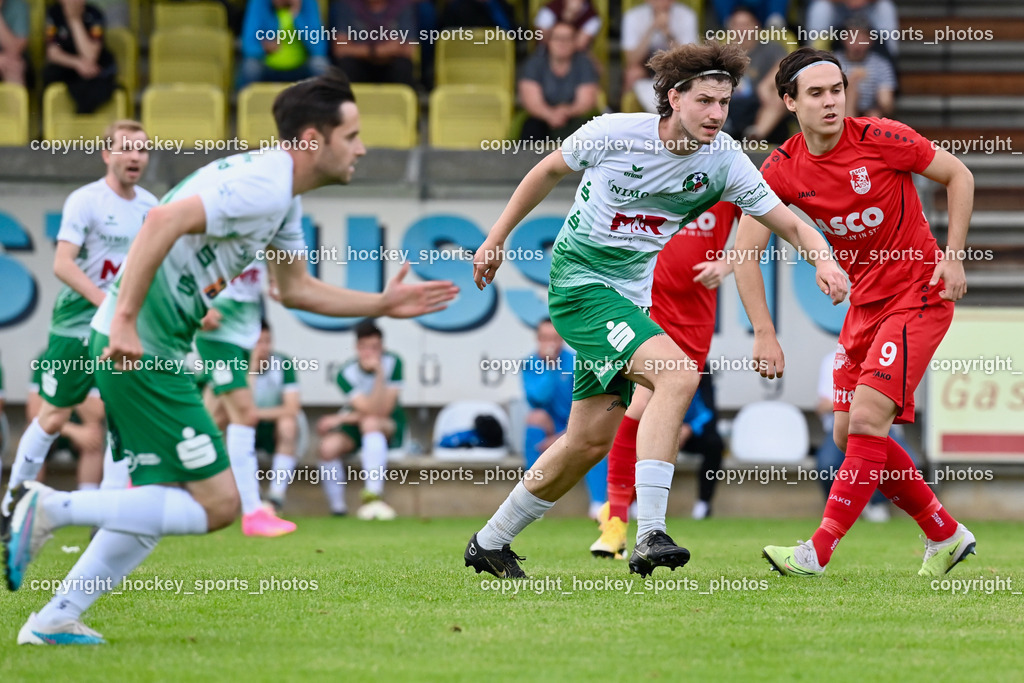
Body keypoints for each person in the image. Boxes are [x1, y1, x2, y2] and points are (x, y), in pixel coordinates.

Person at [4, 69, 459, 645]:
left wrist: (383, 303)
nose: (363, 148)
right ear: (314, 140)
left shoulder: (283, 195)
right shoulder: (263, 184)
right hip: (141, 348)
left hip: (150, 345)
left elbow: (294, 291)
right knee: (217, 505)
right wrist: (121, 320)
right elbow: (162, 220)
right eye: (353, 136)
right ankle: (50, 507)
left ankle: (54, 619)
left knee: (156, 504)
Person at [463, 41, 848, 580]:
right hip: (580, 284)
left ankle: (491, 541)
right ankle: (651, 533)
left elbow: (787, 221)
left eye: (726, 102)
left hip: (628, 298)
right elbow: (546, 171)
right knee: (676, 372)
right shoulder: (615, 133)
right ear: (674, 98)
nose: (718, 113)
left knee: (588, 442)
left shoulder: (724, 161)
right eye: (706, 101)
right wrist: (496, 238)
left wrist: (824, 260)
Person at [732, 47, 976, 577]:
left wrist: (953, 257)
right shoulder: (783, 166)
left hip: (919, 289)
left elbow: (959, 175)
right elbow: (743, 252)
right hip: (865, 306)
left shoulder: (884, 138)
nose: (830, 102)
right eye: (815, 93)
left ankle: (817, 551)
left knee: (867, 419)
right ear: (789, 102)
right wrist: (764, 333)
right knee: (847, 434)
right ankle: (945, 534)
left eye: (836, 90)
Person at [1, 120, 154, 518]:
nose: (135, 156)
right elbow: (62, 264)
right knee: (53, 416)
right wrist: (108, 304)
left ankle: (106, 518)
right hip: (74, 326)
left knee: (122, 420)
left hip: (119, 330)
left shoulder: (153, 208)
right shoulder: (85, 200)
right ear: (107, 155)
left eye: (142, 149)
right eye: (127, 148)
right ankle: (13, 501)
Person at [590, 200, 740, 559]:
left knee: (663, 417)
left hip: (695, 322)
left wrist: (729, 262)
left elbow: (765, 221)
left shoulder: (727, 174)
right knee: (638, 406)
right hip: (648, 309)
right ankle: (616, 520)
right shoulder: (659, 168)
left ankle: (643, 525)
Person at [196, 259, 297, 537]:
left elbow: (274, 249)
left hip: (243, 331)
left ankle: (160, 479)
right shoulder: (216, 222)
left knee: (211, 420)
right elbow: (187, 258)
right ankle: (253, 511)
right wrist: (198, 306)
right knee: (245, 415)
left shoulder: (265, 227)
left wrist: (276, 279)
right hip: (217, 333)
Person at [815, 348, 922, 523]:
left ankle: (874, 503)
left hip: (882, 424)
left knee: (909, 466)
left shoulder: (889, 356)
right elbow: (823, 405)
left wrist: (856, 403)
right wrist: (864, 404)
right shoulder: (833, 359)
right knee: (828, 464)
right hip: (843, 423)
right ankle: (841, 505)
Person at [317, 319, 405, 521]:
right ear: (357, 348)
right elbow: (366, 409)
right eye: (365, 348)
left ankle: (373, 495)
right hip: (358, 424)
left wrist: (379, 373)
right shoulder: (345, 373)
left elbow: (382, 411)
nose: (370, 353)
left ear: (383, 347)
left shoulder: (394, 363)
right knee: (327, 448)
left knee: (371, 423)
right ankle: (338, 508)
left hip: (389, 424)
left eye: (375, 347)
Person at [522, 318, 607, 519]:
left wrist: (566, 434)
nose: (550, 343)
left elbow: (589, 406)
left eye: (555, 338)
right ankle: (531, 499)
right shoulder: (530, 364)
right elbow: (537, 398)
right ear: (538, 339)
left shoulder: (578, 361)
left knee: (598, 439)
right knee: (535, 419)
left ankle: (599, 504)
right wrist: (550, 369)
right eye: (545, 338)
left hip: (577, 425)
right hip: (550, 429)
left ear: (562, 338)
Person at [249, 321, 304, 512]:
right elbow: (239, 405)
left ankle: (275, 496)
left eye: (266, 341)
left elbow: (291, 408)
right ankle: (250, 496)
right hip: (247, 427)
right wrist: (252, 369)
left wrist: (258, 414)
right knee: (232, 426)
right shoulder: (238, 363)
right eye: (257, 342)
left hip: (270, 427)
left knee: (288, 425)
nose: (262, 347)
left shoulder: (283, 363)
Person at [518, 21, 600, 143]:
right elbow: (531, 101)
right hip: (542, 117)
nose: (562, 43)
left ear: (574, 42)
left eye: (567, 39)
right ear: (548, 41)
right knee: (531, 129)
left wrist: (567, 111)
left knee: (587, 132)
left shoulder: (584, 63)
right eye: (557, 38)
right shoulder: (535, 63)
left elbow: (586, 101)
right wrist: (550, 115)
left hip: (574, 115)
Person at [719, 7, 789, 143]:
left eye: (746, 24)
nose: (741, 30)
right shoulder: (721, 52)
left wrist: (765, 85)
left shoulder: (771, 48)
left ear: (757, 26)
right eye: (737, 25)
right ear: (730, 29)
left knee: (782, 93)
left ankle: (755, 136)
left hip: (762, 105)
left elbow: (785, 64)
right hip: (730, 107)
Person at [621, 0, 698, 113]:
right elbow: (631, 60)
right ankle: (625, 117)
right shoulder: (633, 16)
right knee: (633, 73)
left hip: (675, 65)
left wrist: (667, 32)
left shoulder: (687, 15)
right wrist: (652, 29)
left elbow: (689, 58)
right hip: (645, 64)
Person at [43, 0, 118, 114]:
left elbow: (90, 56)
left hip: (94, 66)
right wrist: (77, 63)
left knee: (96, 85)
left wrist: (75, 21)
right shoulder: (54, 13)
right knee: (48, 75)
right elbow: (53, 53)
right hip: (69, 64)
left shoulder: (94, 14)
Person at [238, 0, 330, 90]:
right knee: (251, 67)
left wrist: (297, 15)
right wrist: (264, 48)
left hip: (300, 66)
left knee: (320, 64)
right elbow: (248, 46)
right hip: (268, 66)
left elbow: (319, 48)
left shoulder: (308, 3)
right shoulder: (258, 3)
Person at [330, 0, 416, 88]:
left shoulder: (402, 5)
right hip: (360, 64)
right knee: (347, 65)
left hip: (390, 64)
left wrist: (357, 49)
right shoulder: (346, 5)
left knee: (403, 66)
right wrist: (376, 51)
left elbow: (409, 50)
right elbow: (340, 49)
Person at [834, 16, 896, 118]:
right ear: (843, 39)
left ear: (870, 40)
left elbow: (887, 103)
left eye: (862, 38)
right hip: (838, 111)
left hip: (870, 114)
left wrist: (881, 105)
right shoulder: (833, 63)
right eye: (852, 38)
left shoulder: (881, 64)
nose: (857, 43)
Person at [533, 0, 601, 52]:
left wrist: (571, 17)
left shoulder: (592, 17)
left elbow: (580, 45)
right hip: (547, 54)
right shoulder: (549, 10)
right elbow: (542, 38)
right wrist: (566, 18)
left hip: (576, 57)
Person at [0, 0, 29, 86]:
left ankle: (16, 99)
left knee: (14, 67)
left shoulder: (18, 5)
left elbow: (16, 49)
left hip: (9, 58)